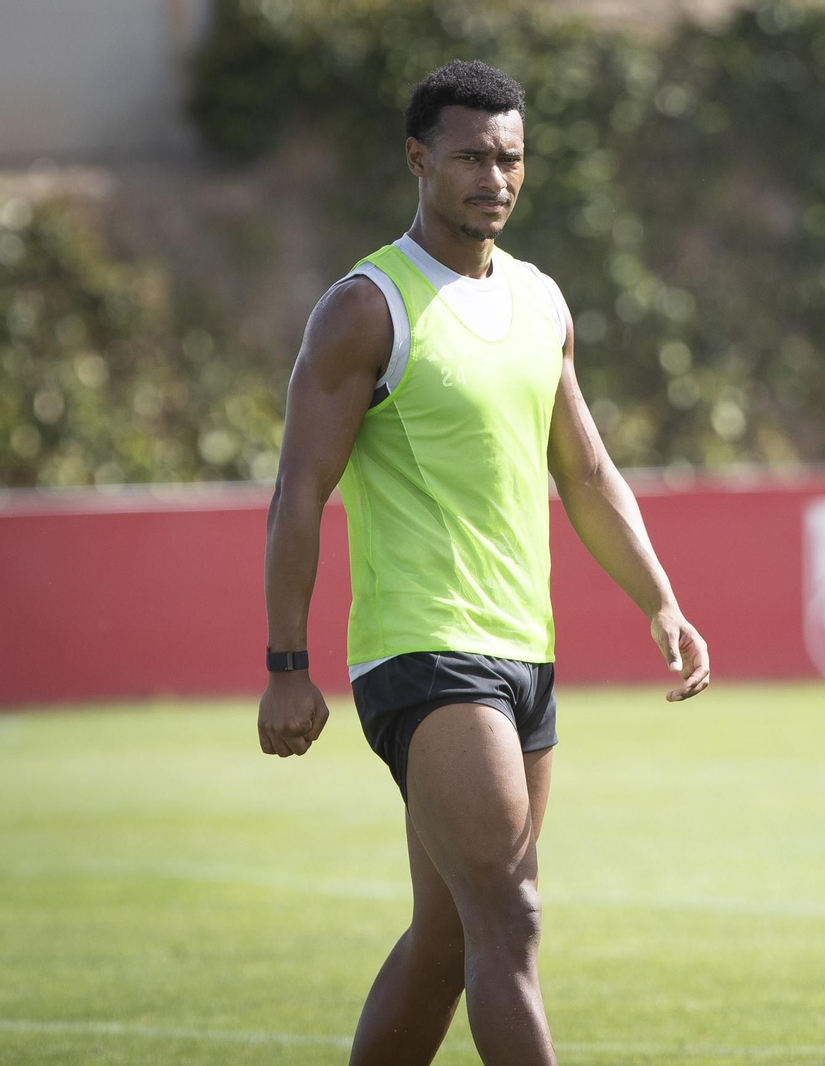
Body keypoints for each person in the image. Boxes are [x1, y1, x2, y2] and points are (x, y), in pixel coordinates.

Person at [256, 60, 710, 1066]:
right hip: (422, 648)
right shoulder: (366, 307)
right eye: (470, 155)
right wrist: (288, 666)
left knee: (450, 937)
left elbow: (586, 474)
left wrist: (660, 602)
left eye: (508, 157)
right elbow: (298, 492)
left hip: (522, 650)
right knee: (511, 913)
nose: (493, 176)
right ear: (419, 160)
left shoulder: (544, 302)